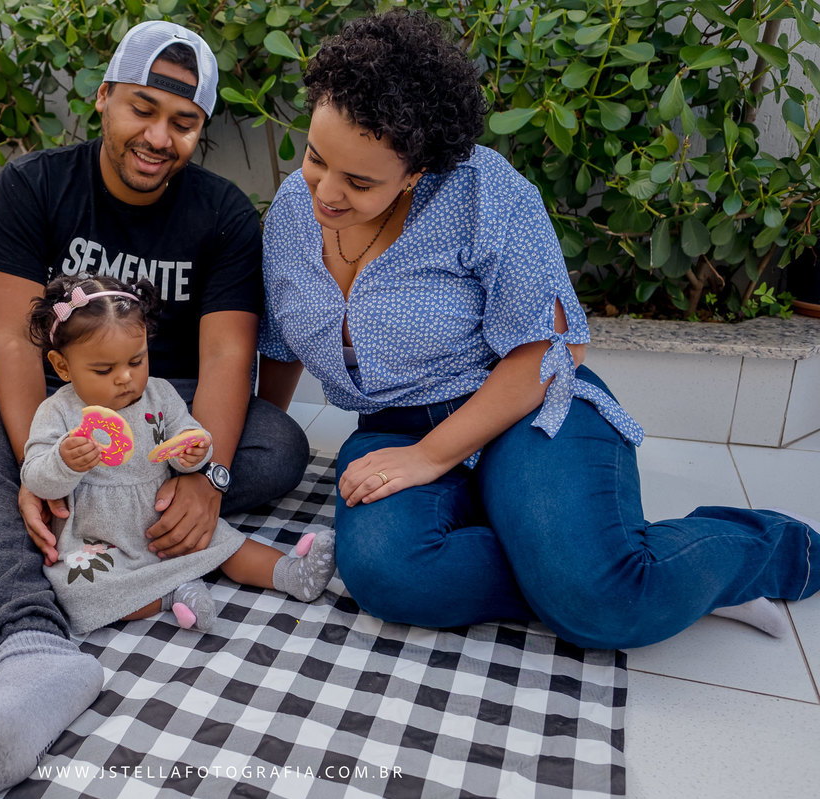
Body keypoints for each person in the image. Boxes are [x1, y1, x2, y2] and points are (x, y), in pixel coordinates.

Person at [256, 9, 819, 652]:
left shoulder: (483, 193)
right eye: (314, 158)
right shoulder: (289, 219)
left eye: (358, 181)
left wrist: (429, 457)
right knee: (389, 577)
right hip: (392, 424)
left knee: (606, 611)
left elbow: (549, 350)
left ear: (417, 172)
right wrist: (259, 448)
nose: (324, 191)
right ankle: (597, 564)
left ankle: (772, 551)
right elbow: (280, 342)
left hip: (525, 407)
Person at [0, 21, 309, 799]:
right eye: (142, 108)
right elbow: (10, 337)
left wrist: (207, 477)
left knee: (278, 446)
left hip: (171, 416)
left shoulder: (226, 213)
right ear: (102, 98)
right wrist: (40, 467)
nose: (158, 136)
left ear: (200, 130)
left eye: (183, 122)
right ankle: (35, 651)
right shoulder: (33, 186)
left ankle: (117, 520)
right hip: (64, 412)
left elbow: (231, 357)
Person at [23, 275, 335, 635]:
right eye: (104, 370)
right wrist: (63, 461)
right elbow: (35, 476)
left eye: (137, 361)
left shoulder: (160, 395)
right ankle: (171, 594)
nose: (125, 377)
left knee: (226, 542)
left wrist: (194, 453)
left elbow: (186, 435)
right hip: (98, 538)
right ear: (62, 367)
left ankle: (292, 574)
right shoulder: (58, 412)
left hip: (163, 519)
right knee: (80, 590)